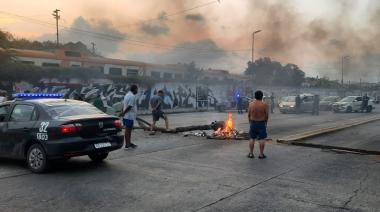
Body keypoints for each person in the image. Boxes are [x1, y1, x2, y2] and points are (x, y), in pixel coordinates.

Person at [247, 90, 269, 159]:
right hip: (261, 123)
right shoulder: (264, 104)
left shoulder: (251, 104)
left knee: (252, 138)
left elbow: (248, 114)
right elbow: (267, 115)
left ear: (255, 96)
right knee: (262, 139)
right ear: (262, 96)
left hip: (253, 122)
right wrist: (266, 122)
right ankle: (261, 154)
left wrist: (250, 122)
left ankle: (251, 154)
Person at [119, 85, 138, 149]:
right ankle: (127, 144)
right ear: (134, 89)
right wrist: (123, 113)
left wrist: (122, 112)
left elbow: (124, 105)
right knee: (128, 130)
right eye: (137, 89)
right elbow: (129, 106)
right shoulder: (132, 96)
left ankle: (129, 143)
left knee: (128, 130)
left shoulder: (127, 95)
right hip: (129, 116)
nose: (137, 91)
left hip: (126, 116)